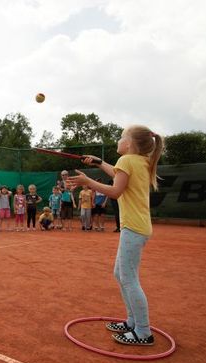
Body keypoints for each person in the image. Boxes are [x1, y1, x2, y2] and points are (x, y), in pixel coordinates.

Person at [68, 124, 164, 346]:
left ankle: (143, 331)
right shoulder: (140, 161)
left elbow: (115, 191)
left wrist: (88, 182)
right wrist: (99, 163)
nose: (118, 140)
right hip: (138, 227)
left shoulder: (127, 161)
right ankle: (132, 322)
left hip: (133, 227)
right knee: (120, 274)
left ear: (129, 144)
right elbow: (119, 174)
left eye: (122, 137)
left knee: (129, 278)